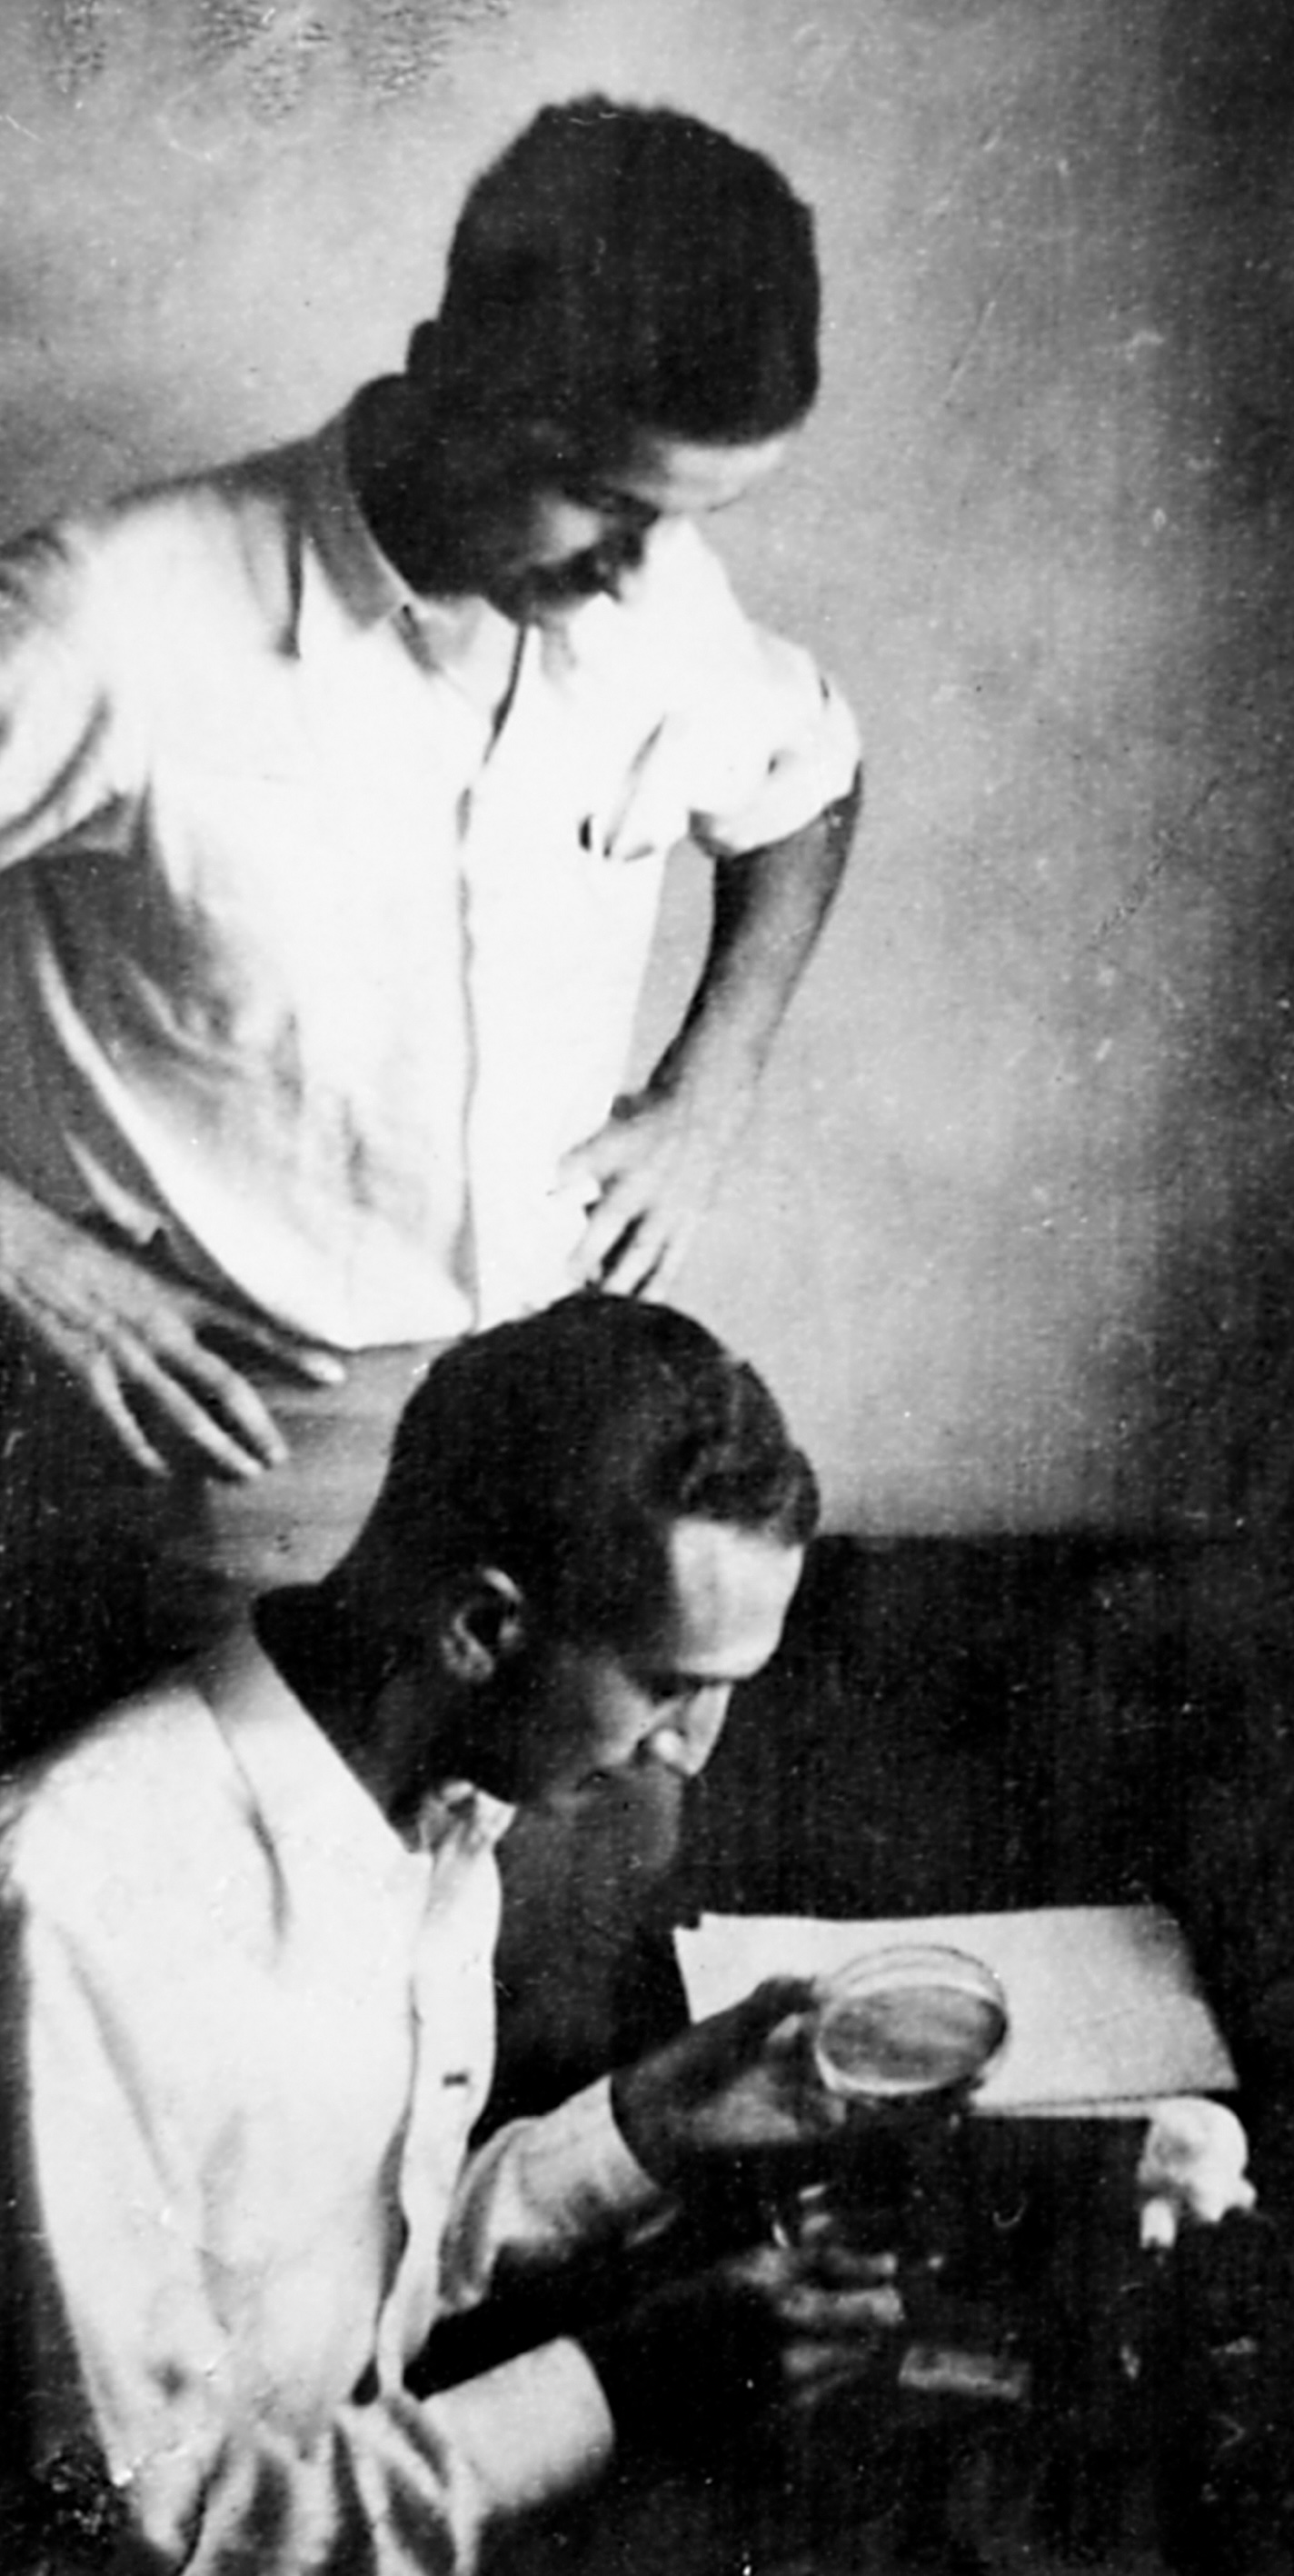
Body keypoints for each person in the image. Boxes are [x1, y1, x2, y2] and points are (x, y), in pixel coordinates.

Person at [0, 93, 861, 1739]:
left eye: (682, 516)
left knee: (504, 1931)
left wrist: (711, 1086)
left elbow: (813, 784)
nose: (638, 571)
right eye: (599, 501)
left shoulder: (657, 598)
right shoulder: (112, 621)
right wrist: (24, 1254)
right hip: (216, 1446)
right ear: (448, 367)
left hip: (544, 1430)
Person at [0, 1292, 901, 2574]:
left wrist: (638, 2127)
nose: (691, 1753)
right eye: (672, 1684)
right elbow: (136, 2534)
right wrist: (620, 2388)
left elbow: (326, 2291)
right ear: (482, 1627)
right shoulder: (73, 1911)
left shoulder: (443, 1806)